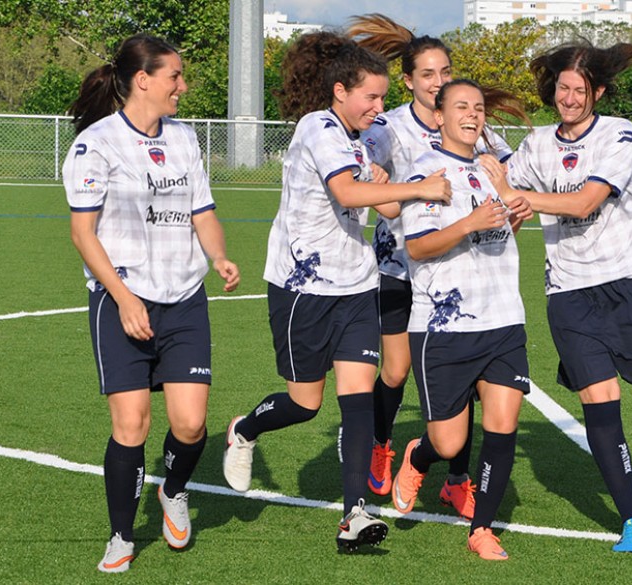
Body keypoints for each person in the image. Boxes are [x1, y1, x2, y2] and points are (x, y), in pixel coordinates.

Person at [219, 30, 450, 553]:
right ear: (340, 91)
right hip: (302, 285)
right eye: (371, 97)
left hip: (356, 284)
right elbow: (347, 191)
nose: (379, 107)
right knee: (305, 403)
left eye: (384, 97)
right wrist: (417, 188)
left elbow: (385, 205)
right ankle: (245, 429)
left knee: (357, 405)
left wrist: (418, 189)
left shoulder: (371, 136)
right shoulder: (318, 127)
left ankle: (354, 516)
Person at [484, 42, 632, 554]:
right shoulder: (537, 144)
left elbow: (586, 201)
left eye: (580, 89)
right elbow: (501, 185)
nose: (569, 97)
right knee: (599, 403)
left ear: (599, 92)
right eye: (563, 88)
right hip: (569, 291)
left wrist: (520, 199)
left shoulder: (618, 133)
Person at [63, 33, 241, 573]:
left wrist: (219, 257)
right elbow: (82, 234)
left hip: (184, 297)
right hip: (121, 301)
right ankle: (121, 535)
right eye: (175, 77)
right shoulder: (95, 145)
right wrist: (123, 298)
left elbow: (202, 210)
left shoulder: (185, 139)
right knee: (133, 425)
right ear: (143, 80)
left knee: (190, 426)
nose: (182, 87)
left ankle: (174, 490)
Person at [347, 14, 514, 519]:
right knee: (395, 370)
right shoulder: (388, 128)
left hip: (463, 275)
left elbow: (504, 172)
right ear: (409, 82)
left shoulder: (470, 122)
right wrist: (380, 187)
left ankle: (457, 479)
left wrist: (507, 188)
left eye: (445, 71)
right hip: (401, 265)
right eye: (428, 74)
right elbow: (365, 178)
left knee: (471, 387)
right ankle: (382, 443)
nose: (439, 81)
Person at [388, 78, 533, 560]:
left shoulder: (493, 168)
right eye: (461, 107)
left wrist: (510, 207)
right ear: (440, 117)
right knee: (448, 442)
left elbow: (503, 225)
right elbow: (417, 247)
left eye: (478, 108)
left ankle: (482, 529)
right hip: (444, 326)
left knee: (503, 424)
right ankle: (418, 455)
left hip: (503, 318)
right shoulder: (426, 172)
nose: (472, 115)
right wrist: (471, 222)